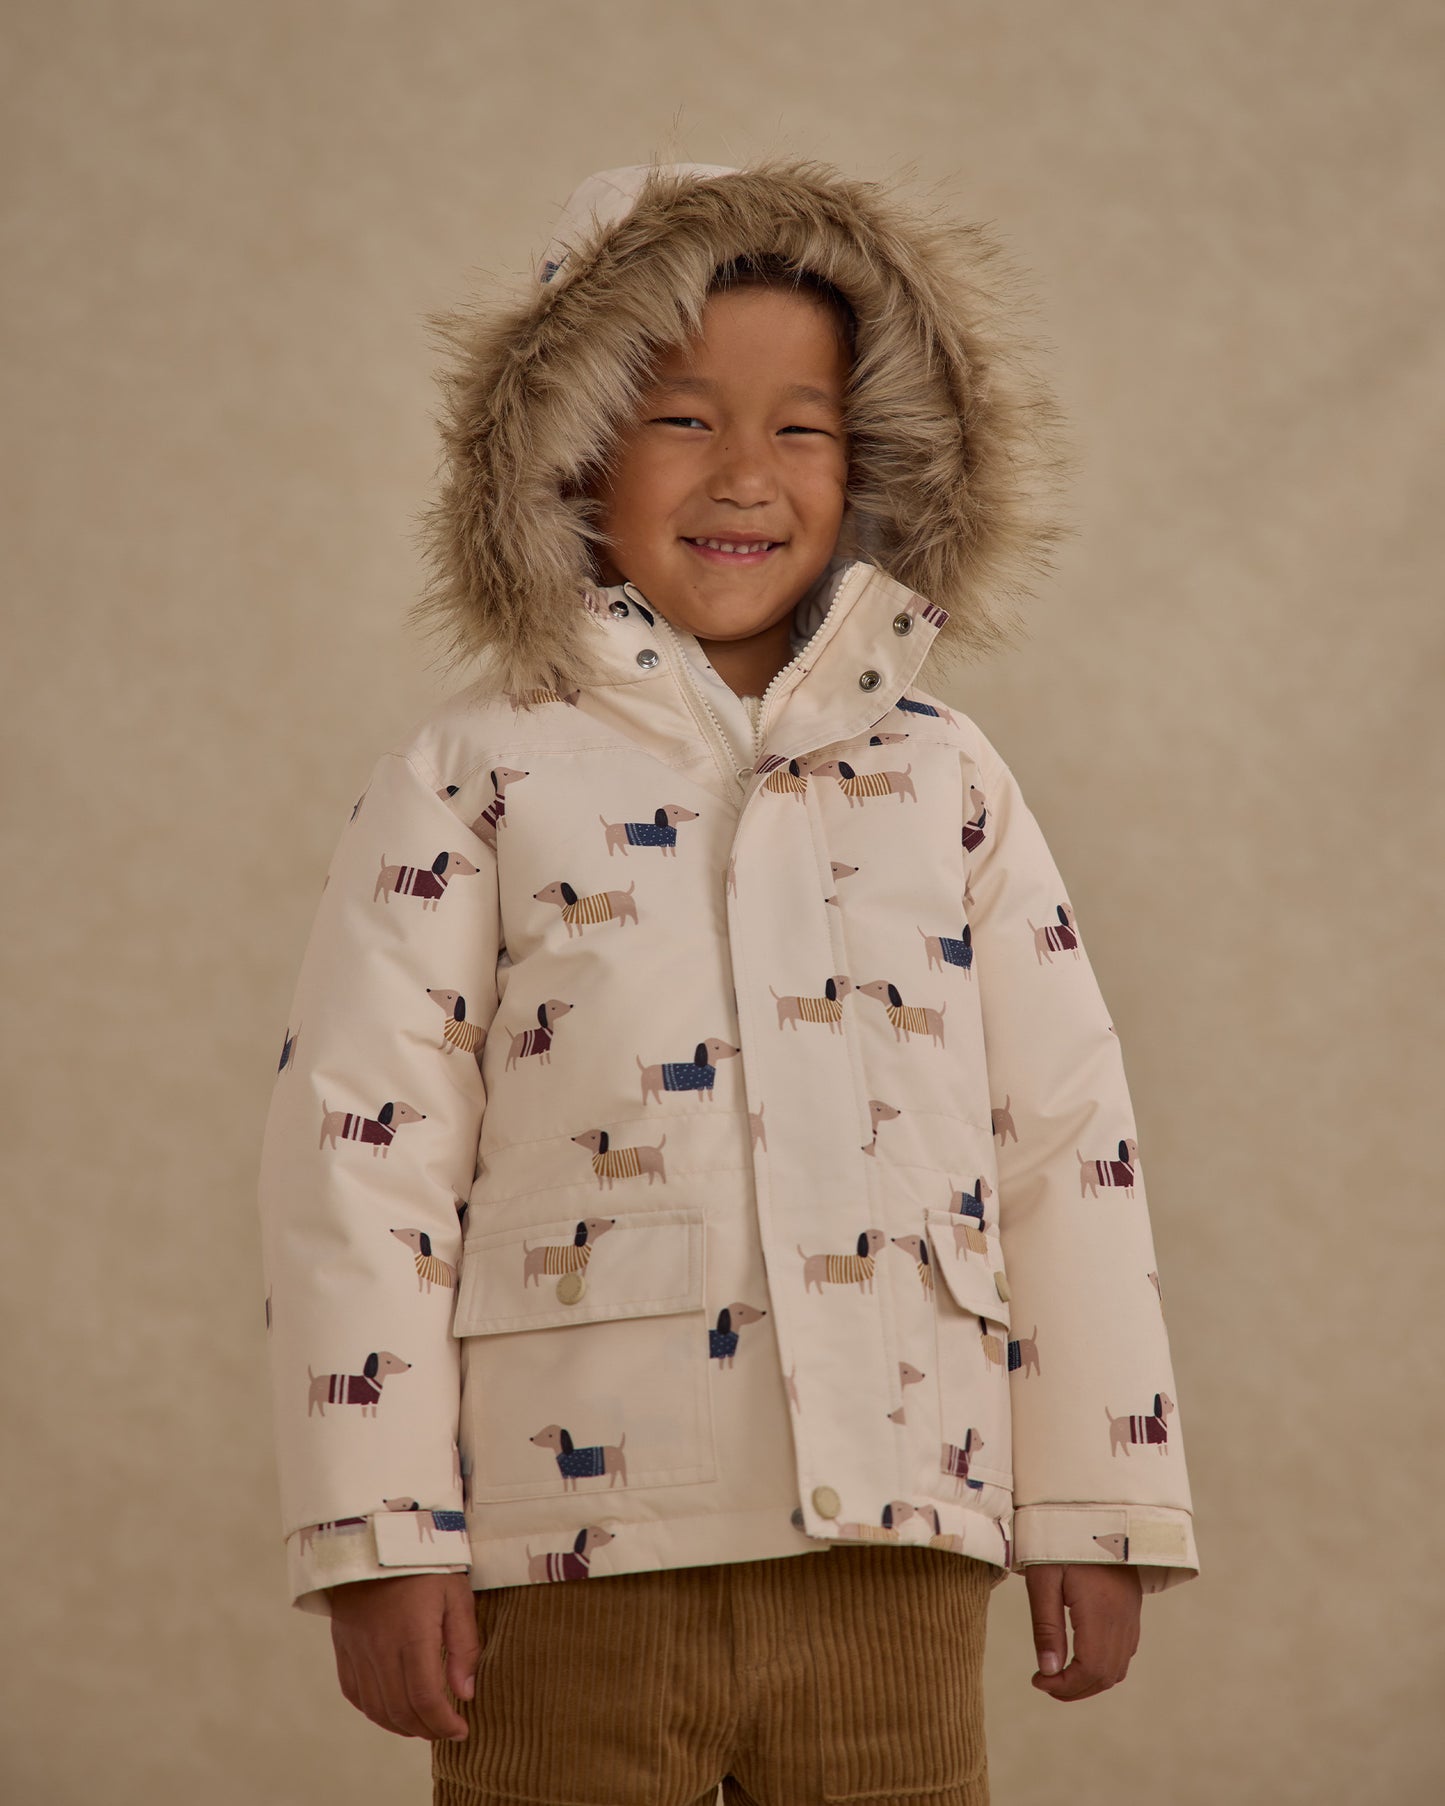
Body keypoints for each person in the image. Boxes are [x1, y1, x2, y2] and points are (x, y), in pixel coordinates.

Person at [256, 158, 1200, 1806]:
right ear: (570, 450)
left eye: (804, 428)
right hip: (566, 1559)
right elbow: (362, 1151)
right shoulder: (477, 774)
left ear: (879, 460)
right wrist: (377, 1529)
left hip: (896, 1540)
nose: (745, 474)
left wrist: (1098, 1503)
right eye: (683, 418)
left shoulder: (947, 779)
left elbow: (1065, 1141)